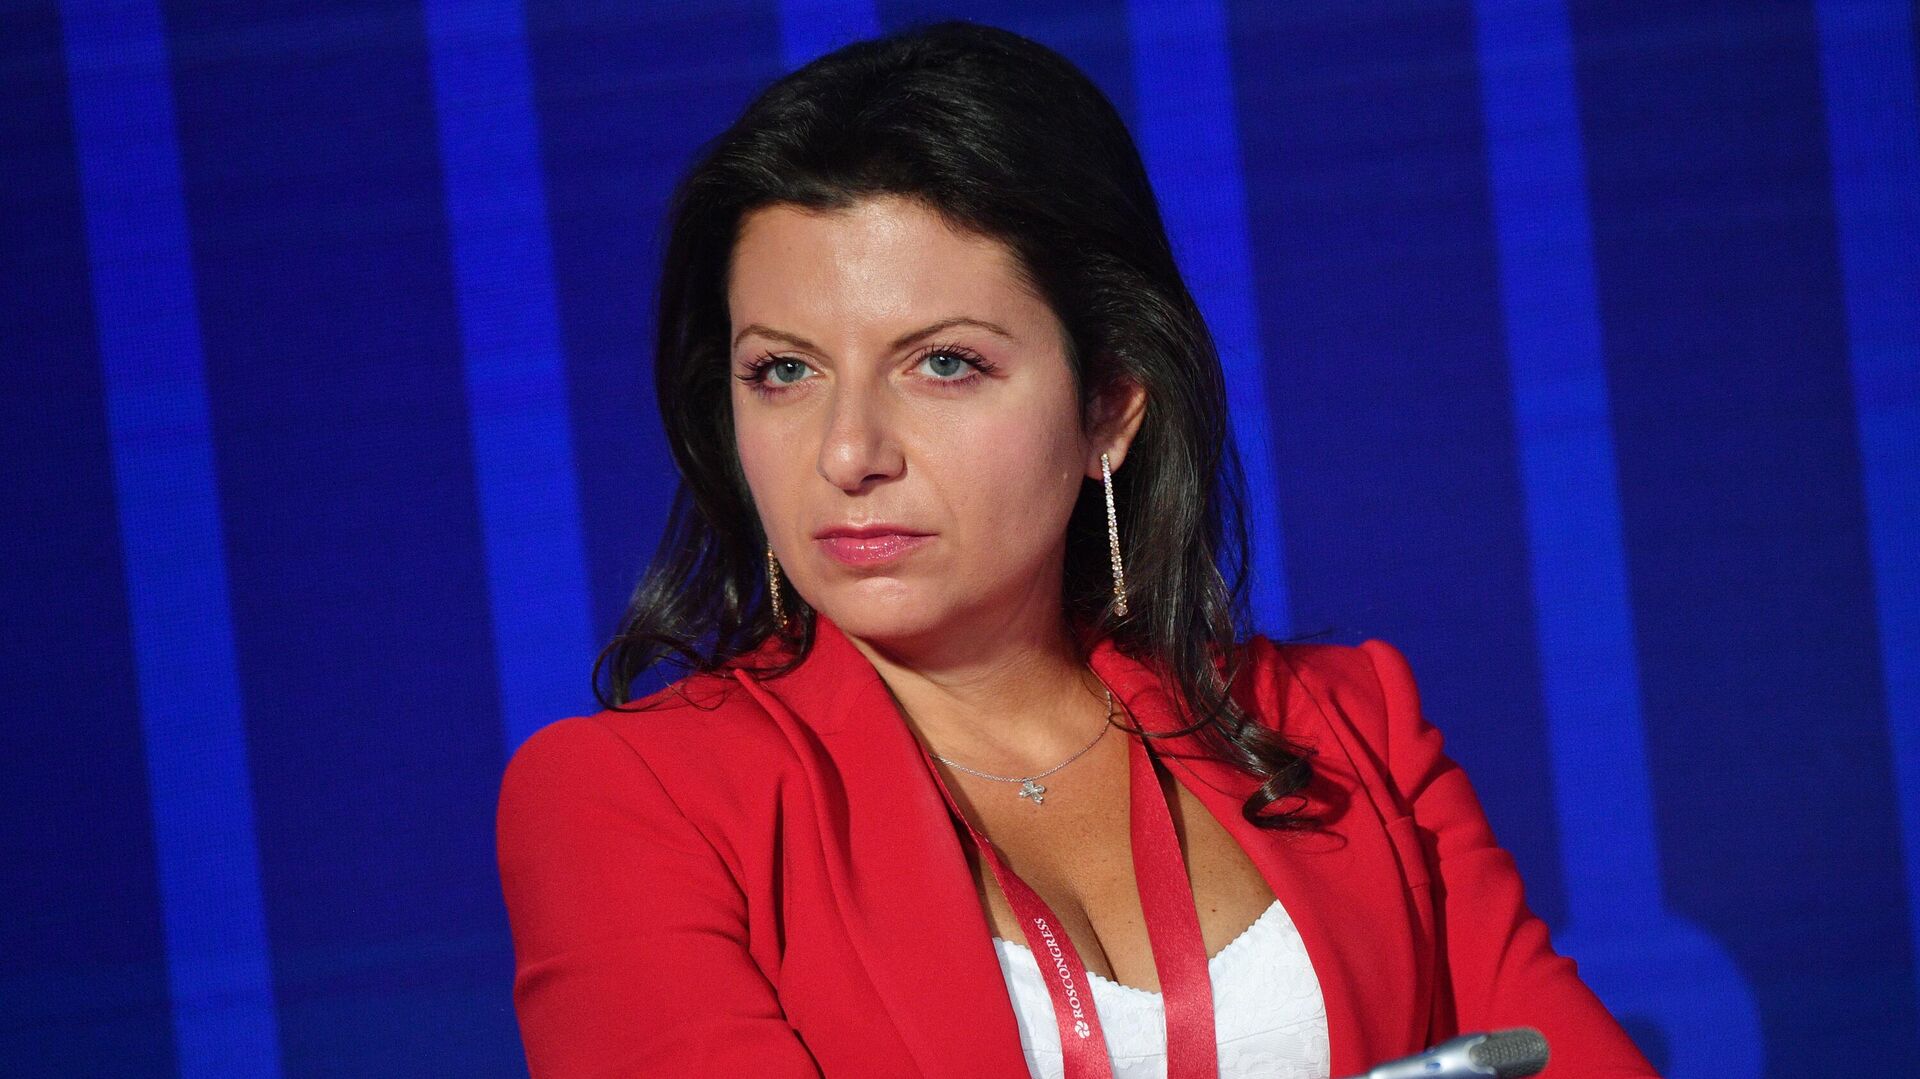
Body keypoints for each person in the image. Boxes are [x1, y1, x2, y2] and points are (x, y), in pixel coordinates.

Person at [495, 19, 1656, 1079]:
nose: (848, 451)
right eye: (784, 370)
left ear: (1109, 403)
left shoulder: (1350, 727)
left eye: (944, 362)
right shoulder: (626, 803)